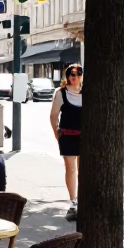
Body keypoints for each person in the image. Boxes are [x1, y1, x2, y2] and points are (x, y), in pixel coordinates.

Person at [50, 62, 82, 222]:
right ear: (67, 76)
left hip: (85, 138)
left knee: (83, 170)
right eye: (71, 74)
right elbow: (53, 115)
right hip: (68, 135)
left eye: (77, 74)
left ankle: (83, 199)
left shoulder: (87, 92)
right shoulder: (61, 92)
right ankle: (74, 201)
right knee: (70, 169)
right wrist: (57, 134)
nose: (74, 77)